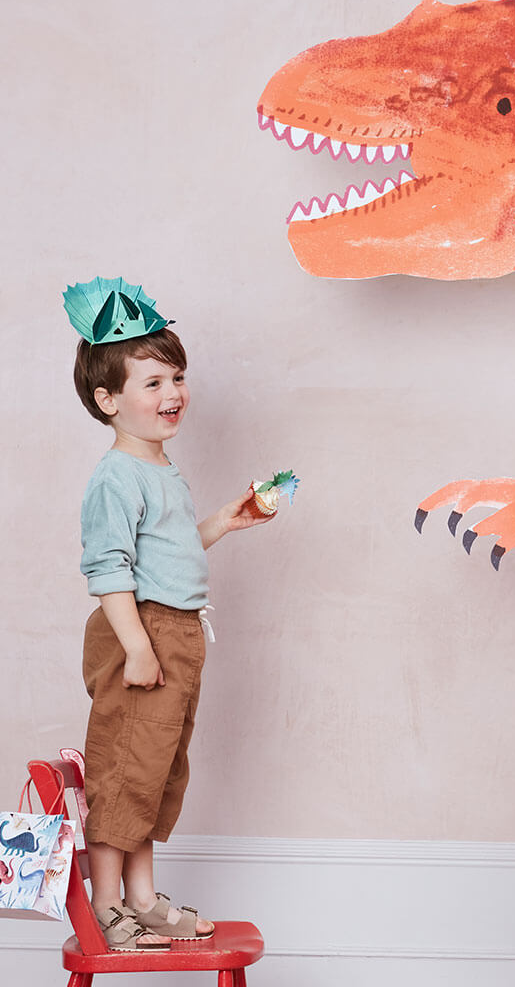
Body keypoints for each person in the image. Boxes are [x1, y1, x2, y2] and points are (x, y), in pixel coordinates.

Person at [67, 278, 272, 951]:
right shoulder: (116, 477)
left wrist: (226, 520)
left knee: (158, 769)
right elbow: (111, 573)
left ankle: (144, 897)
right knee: (126, 767)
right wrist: (136, 646)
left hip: (178, 632)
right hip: (145, 631)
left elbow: (170, 550)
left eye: (176, 378)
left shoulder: (161, 467)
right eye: (152, 383)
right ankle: (106, 905)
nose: (173, 394)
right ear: (108, 400)